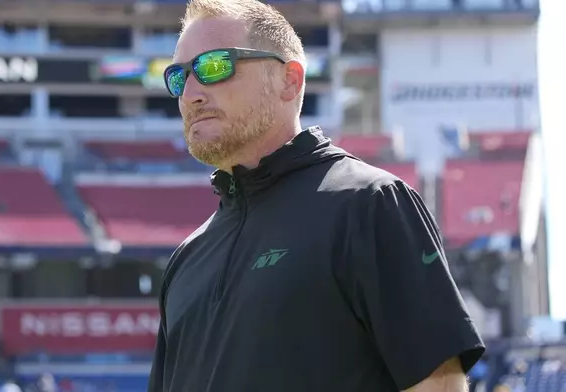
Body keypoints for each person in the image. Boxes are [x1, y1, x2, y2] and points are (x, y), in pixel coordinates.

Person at [148, 0, 485, 391]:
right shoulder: (187, 259)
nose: (190, 94)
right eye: (178, 77)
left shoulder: (370, 203)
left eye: (214, 66)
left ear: (289, 81)